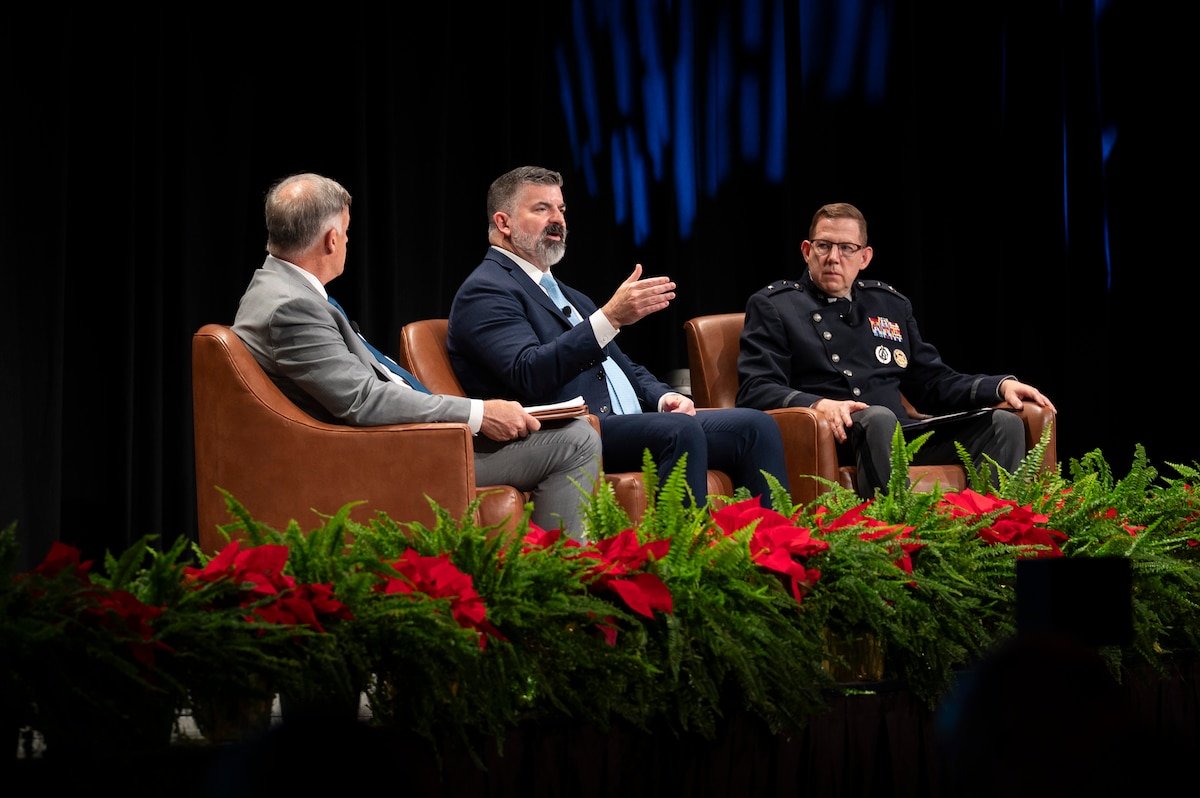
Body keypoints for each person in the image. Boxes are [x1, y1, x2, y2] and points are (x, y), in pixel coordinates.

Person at [232, 172, 602, 538]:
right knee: (575, 440)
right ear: (331, 240)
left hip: (398, 438)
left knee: (570, 431)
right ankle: (559, 585)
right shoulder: (291, 307)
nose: (346, 240)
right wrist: (478, 412)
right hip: (385, 452)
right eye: (345, 233)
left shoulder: (280, 289)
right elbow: (363, 401)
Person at [446, 165, 789, 508]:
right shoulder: (488, 290)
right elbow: (528, 372)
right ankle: (684, 559)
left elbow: (621, 365)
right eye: (542, 209)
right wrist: (608, 318)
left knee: (756, 426)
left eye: (561, 210)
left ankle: (773, 552)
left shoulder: (566, 293)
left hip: (630, 419)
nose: (558, 219)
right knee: (679, 432)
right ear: (504, 223)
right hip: (572, 430)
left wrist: (660, 397)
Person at [736, 202, 1056, 498]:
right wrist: (820, 404)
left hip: (902, 435)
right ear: (807, 251)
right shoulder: (775, 306)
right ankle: (895, 541)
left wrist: (1000, 385)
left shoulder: (888, 304)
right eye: (824, 246)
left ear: (865, 257)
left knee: (1003, 425)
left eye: (847, 248)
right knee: (878, 418)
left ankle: (994, 537)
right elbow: (756, 388)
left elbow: (931, 383)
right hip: (834, 438)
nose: (834, 257)